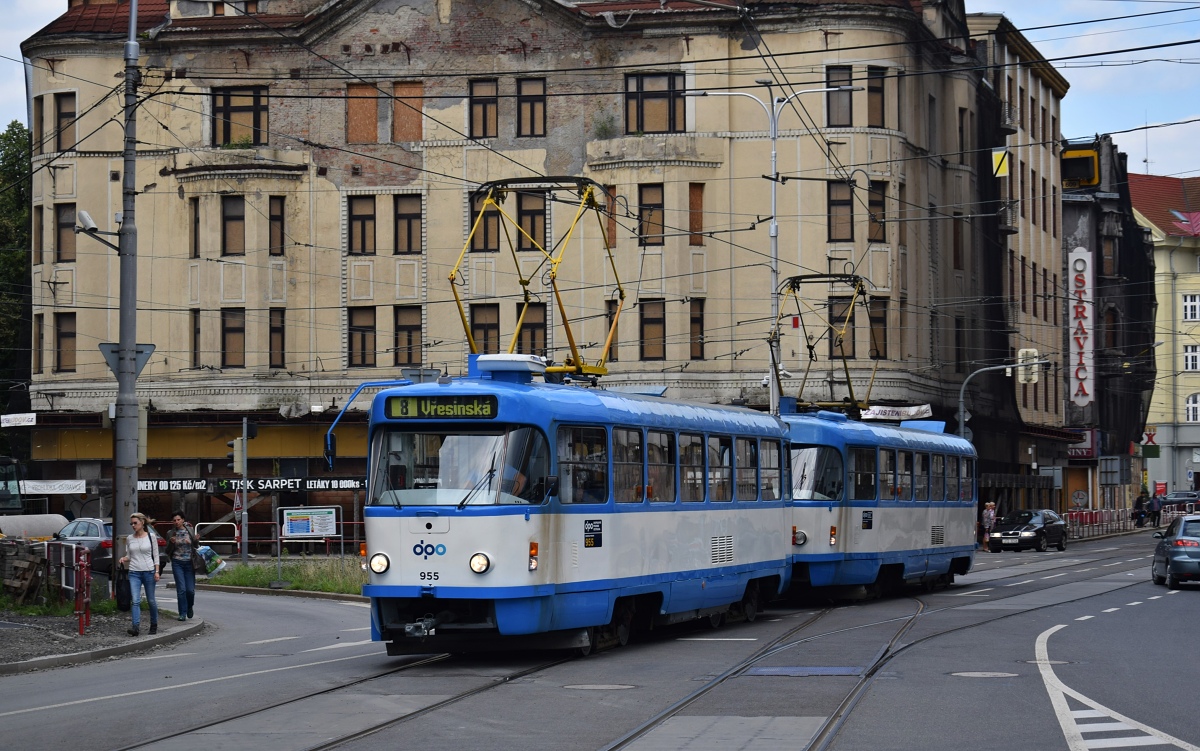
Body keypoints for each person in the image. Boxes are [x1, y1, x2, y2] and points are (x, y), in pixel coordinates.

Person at [118, 512, 160, 636]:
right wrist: (124, 559)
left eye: (135, 523)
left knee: (151, 600)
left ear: (142, 523)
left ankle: (154, 624)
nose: (133, 525)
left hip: (149, 571)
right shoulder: (130, 538)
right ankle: (135, 627)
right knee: (135, 601)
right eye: (131, 523)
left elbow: (156, 555)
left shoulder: (151, 537)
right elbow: (130, 556)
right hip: (134, 572)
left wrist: (157, 571)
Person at [166, 511, 199, 621]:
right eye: (174, 520)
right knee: (181, 590)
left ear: (183, 520)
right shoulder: (170, 533)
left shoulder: (189, 530)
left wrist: (195, 540)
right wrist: (171, 543)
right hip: (177, 562)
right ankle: (182, 613)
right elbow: (167, 551)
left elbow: (196, 546)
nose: (176, 522)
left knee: (190, 590)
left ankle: (189, 606)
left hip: (189, 562)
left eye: (178, 519)